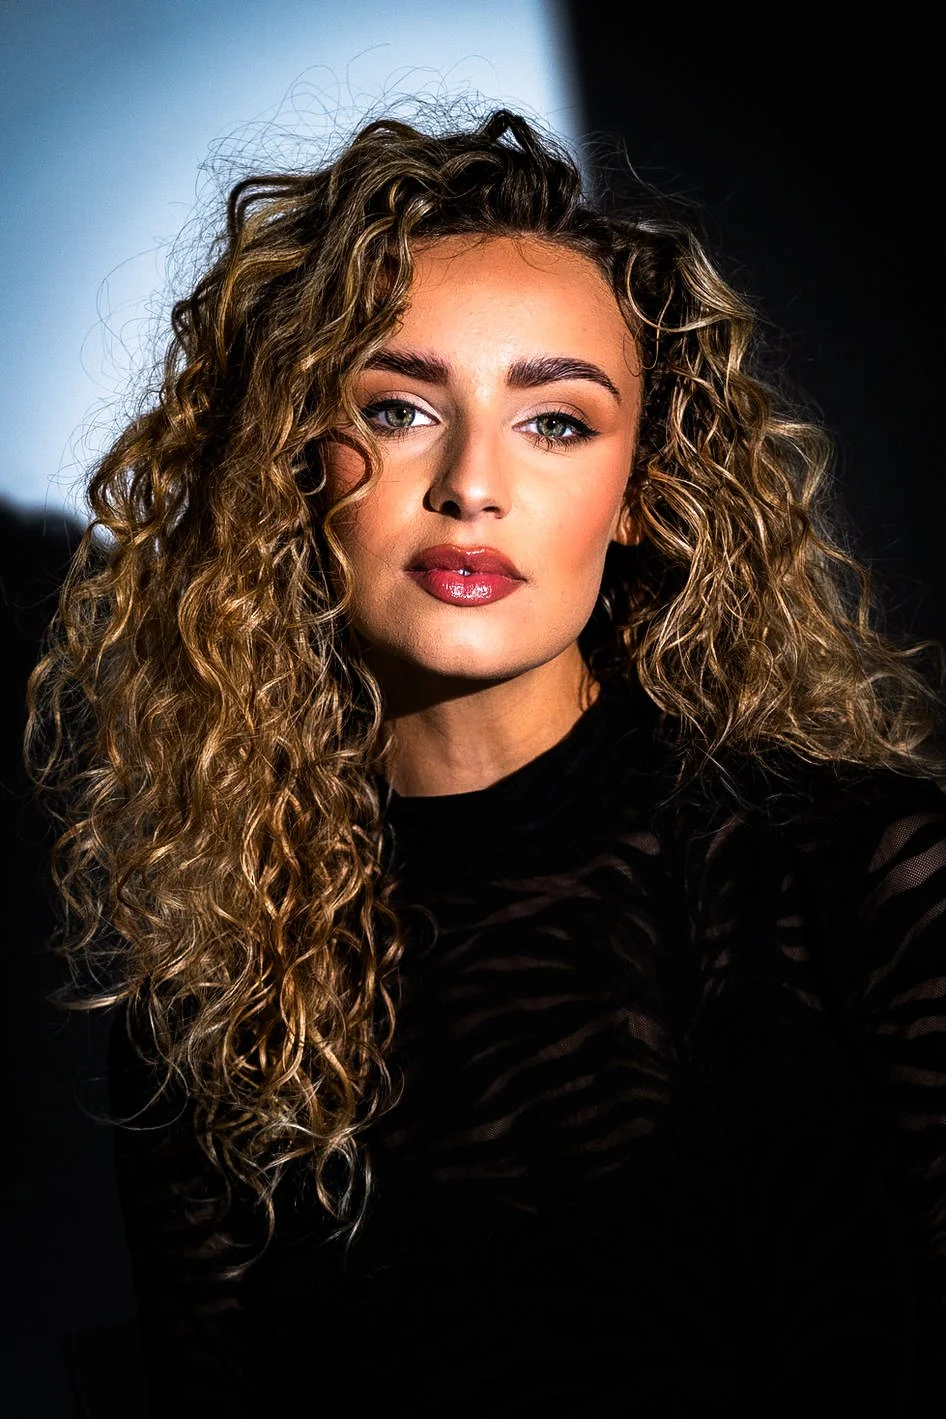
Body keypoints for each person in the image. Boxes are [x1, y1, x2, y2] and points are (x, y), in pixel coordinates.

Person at [27, 107, 946, 1417]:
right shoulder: (219, 1012)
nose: (471, 483)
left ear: (641, 488)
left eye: (555, 422)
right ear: (295, 465)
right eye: (397, 409)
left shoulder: (869, 880)